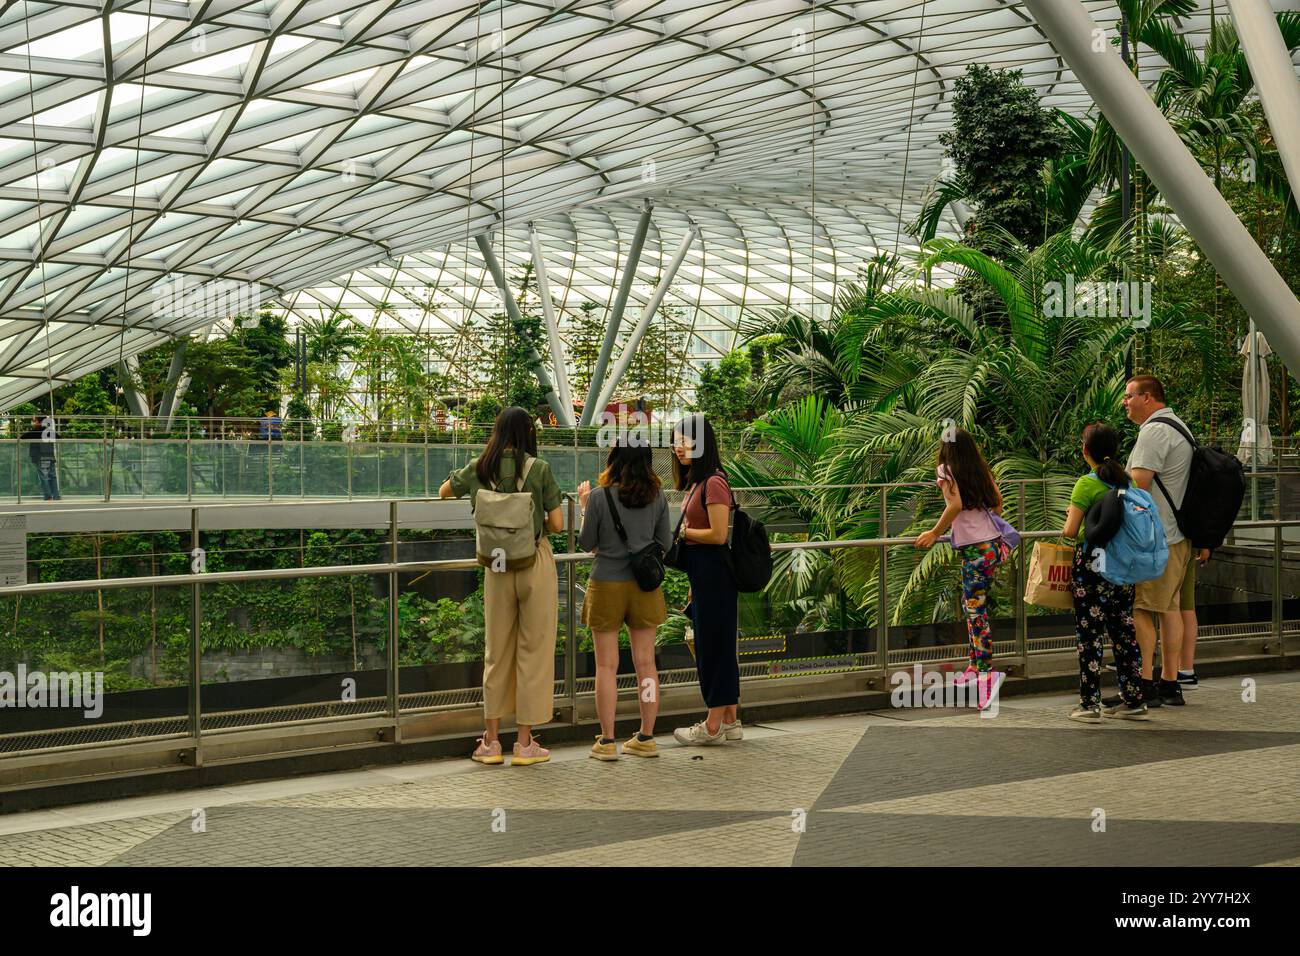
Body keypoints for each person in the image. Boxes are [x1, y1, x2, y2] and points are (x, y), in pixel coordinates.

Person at [440, 407, 564, 766]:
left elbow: (444, 491)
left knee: (497, 652)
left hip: (496, 565)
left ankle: (491, 741)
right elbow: (555, 524)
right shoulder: (538, 469)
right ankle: (525, 744)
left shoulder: (480, 466)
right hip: (534, 563)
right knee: (533, 652)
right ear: (529, 433)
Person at [577, 441, 671, 760]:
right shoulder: (658, 497)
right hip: (644, 587)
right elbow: (666, 543)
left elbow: (587, 543)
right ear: (647, 464)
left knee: (607, 665)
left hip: (606, 584)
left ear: (614, 461)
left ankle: (607, 741)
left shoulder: (600, 498)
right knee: (646, 663)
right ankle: (646, 736)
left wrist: (584, 506)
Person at [1122, 375, 1210, 708]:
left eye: (1129, 396)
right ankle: (1170, 682)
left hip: (1155, 537)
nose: (1125, 402)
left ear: (1148, 397)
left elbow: (1139, 482)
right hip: (1176, 535)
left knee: (1143, 608)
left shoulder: (1154, 431)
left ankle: (1145, 684)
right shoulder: (1178, 426)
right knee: (1169, 609)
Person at [914, 428, 1008, 702]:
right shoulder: (979, 469)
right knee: (973, 607)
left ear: (946, 448)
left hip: (974, 550)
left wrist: (934, 532)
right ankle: (972, 665)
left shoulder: (946, 471)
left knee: (977, 613)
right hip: (990, 547)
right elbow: (998, 503)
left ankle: (986, 678)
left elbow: (954, 505)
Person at [1061, 423, 1146, 722]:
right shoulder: (1129, 484)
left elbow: (1071, 530)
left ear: (1086, 451)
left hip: (1093, 567)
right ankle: (1134, 700)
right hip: (1124, 567)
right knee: (1124, 633)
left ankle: (1089, 704)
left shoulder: (1086, 484)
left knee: (1090, 635)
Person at [669, 414, 742, 746]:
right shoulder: (698, 481)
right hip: (703, 572)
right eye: (675, 440)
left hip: (714, 571)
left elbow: (717, 534)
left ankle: (711, 726)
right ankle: (730, 720)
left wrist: (683, 532)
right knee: (718, 645)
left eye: (683, 440)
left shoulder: (713, 482)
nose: (677, 446)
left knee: (714, 649)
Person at [21, 415, 61, 501]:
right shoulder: (49, 431)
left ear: (39, 422)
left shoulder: (34, 432)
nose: (34, 423)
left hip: (40, 456)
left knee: (44, 477)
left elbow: (22, 437)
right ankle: (56, 496)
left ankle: (48, 496)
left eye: (35, 421)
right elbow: (59, 437)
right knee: (52, 476)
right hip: (50, 456)